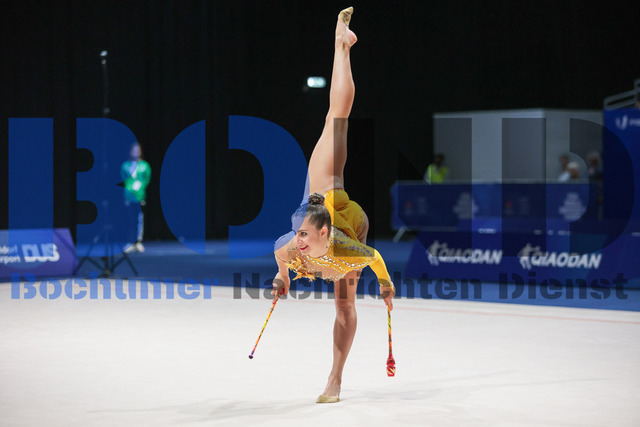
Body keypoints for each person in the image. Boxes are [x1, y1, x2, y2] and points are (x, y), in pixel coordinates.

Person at [270, 7, 395, 404]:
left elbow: (375, 258)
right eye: (299, 235)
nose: (298, 241)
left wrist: (387, 285)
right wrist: (283, 279)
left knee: (336, 118)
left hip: (328, 195)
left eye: (304, 236)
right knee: (336, 118)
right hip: (332, 206)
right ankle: (343, 44)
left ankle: (335, 380)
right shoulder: (296, 245)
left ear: (323, 234)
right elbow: (281, 255)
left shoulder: (342, 248)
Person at [121, 142, 151, 252]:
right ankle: (130, 242)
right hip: (129, 196)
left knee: (139, 219)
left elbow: (147, 179)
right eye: (134, 150)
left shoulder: (144, 166)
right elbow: (124, 180)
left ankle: (138, 242)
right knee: (130, 220)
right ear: (130, 152)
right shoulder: (125, 166)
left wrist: (140, 187)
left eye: (138, 150)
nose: (136, 152)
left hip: (140, 196)